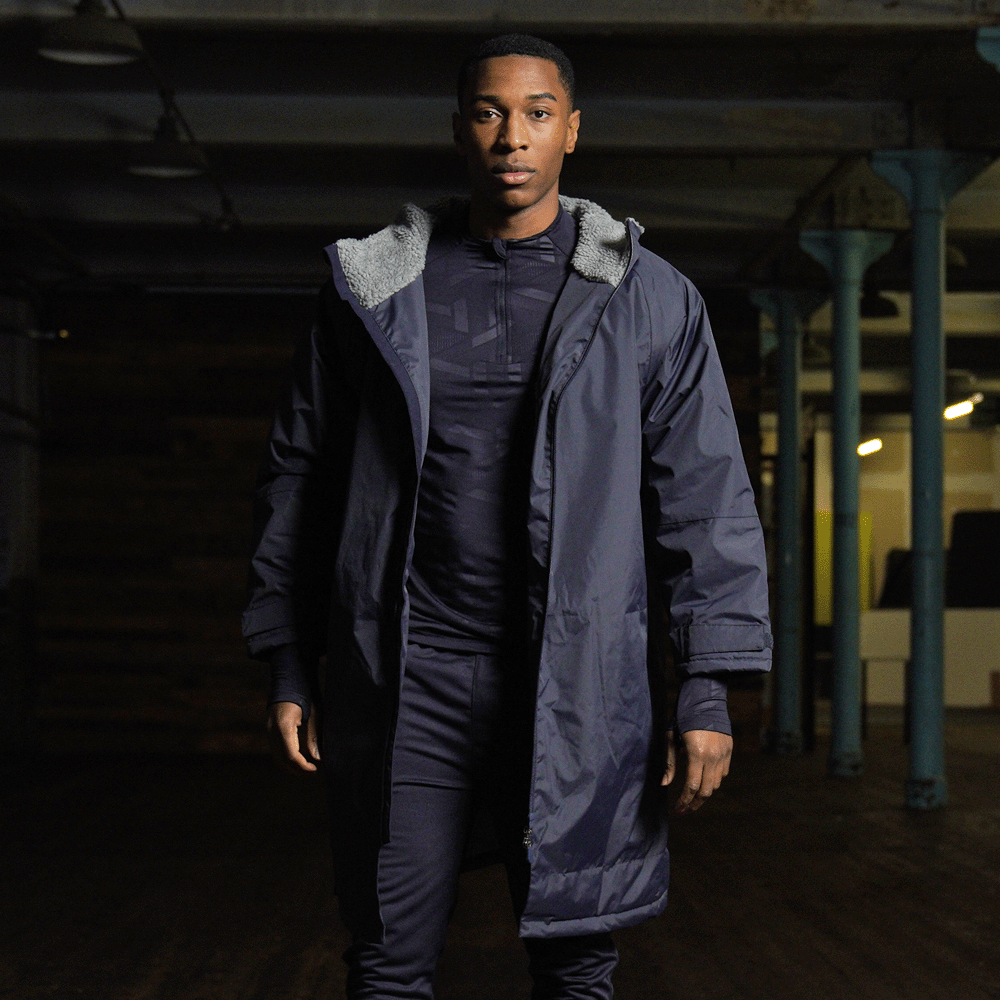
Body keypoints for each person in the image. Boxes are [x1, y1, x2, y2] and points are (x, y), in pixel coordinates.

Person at [242, 33, 771, 1000]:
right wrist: (288, 659)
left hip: (579, 678)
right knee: (387, 957)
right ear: (460, 131)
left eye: (536, 114)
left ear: (572, 131)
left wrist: (706, 687)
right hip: (409, 674)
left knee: (577, 959)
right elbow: (300, 482)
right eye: (490, 113)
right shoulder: (371, 291)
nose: (512, 137)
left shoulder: (648, 298)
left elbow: (704, 497)